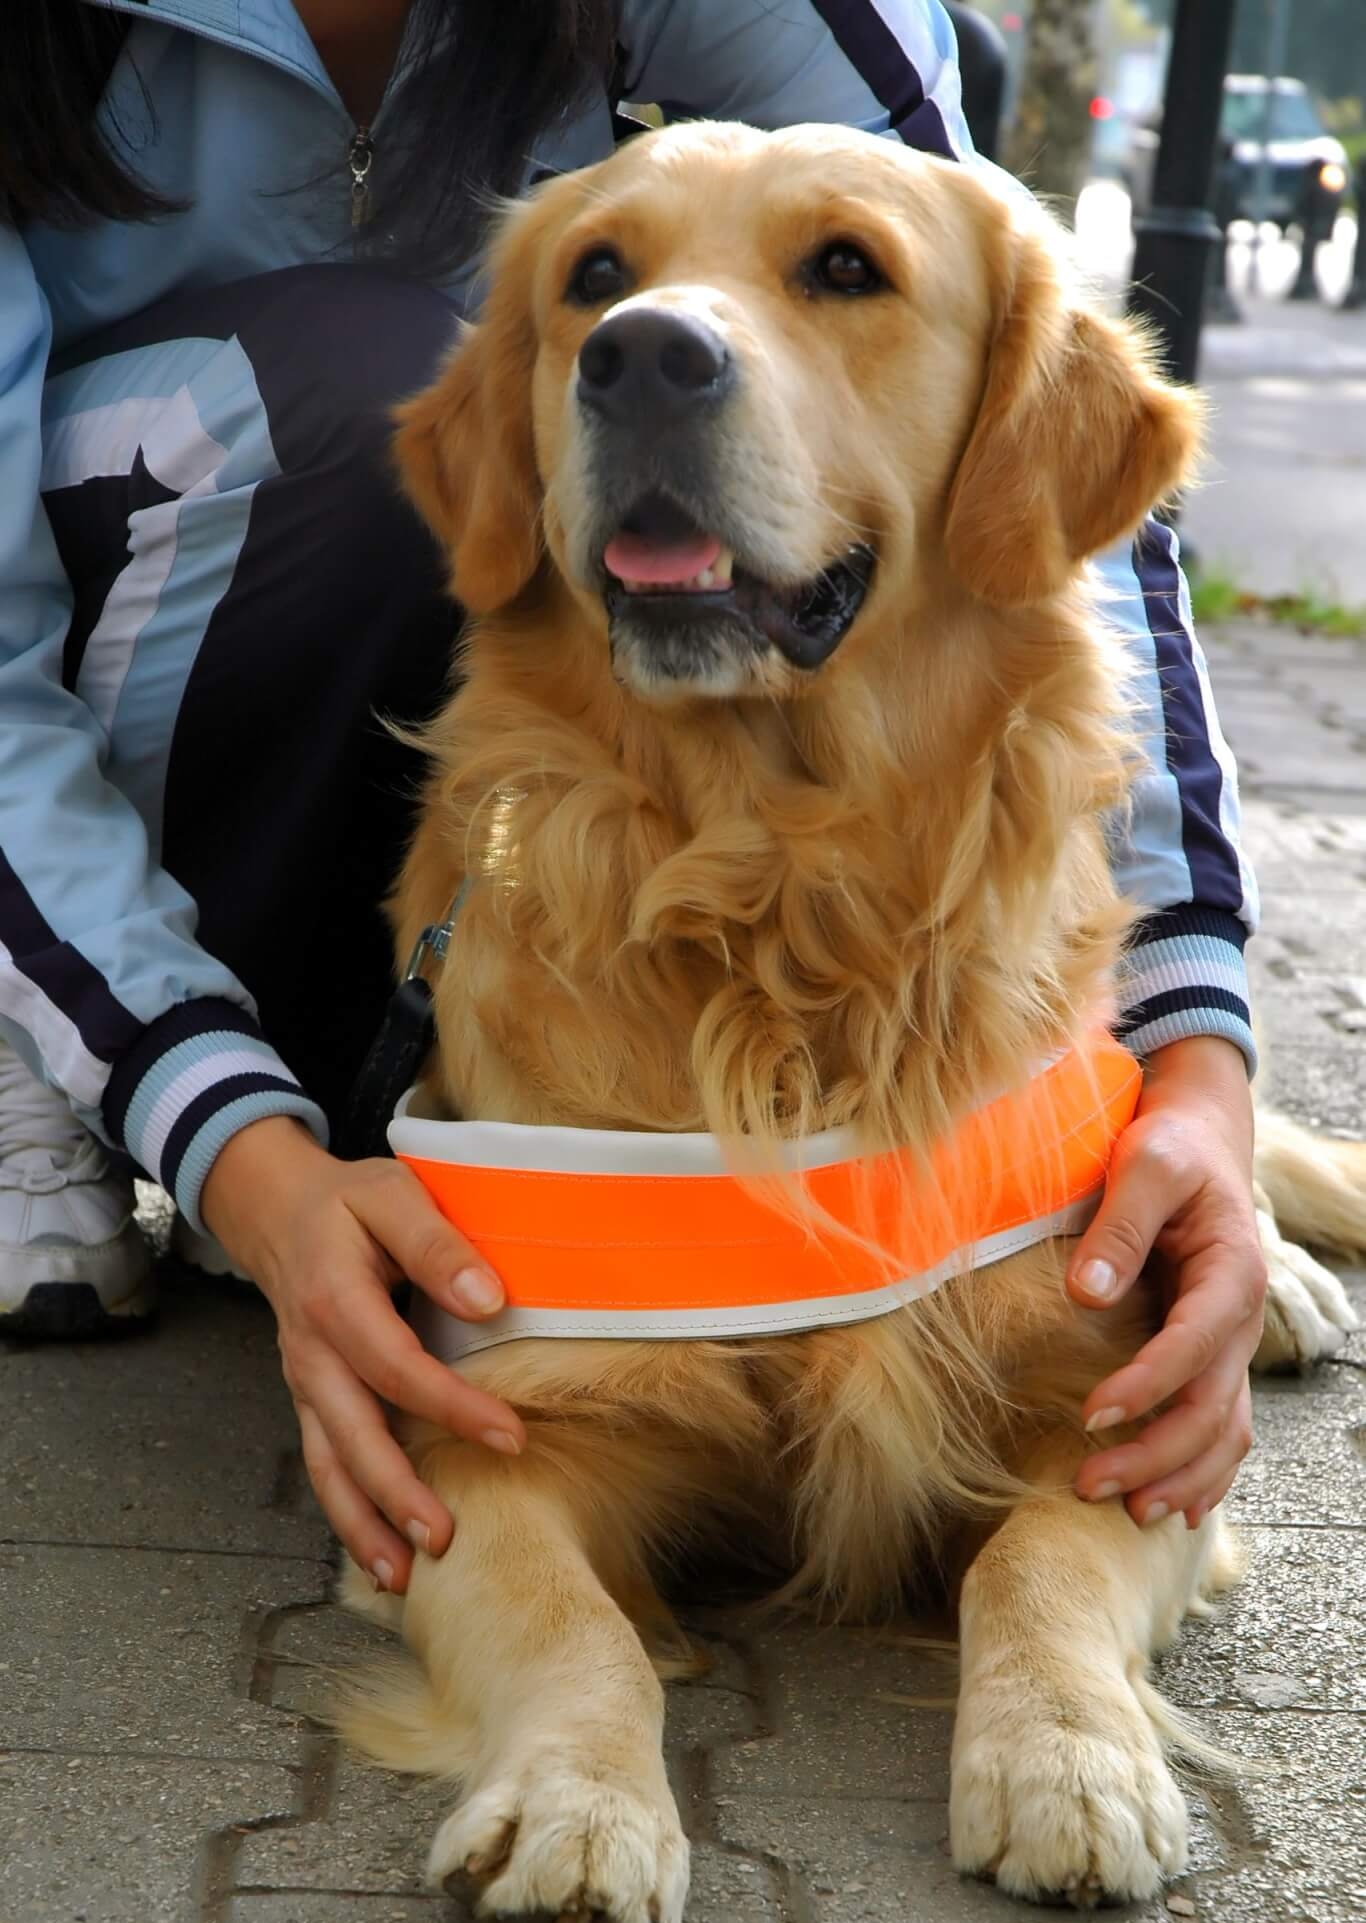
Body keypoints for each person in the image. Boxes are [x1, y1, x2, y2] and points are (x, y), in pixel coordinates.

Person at [1, 0, 1264, 1593]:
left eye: (832, 273)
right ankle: (84, 1050)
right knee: (355, 379)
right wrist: (246, 1162)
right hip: (96, 684)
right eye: (610, 281)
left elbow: (1015, 366)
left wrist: (1195, 1066)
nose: (659, 331)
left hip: (455, 769)